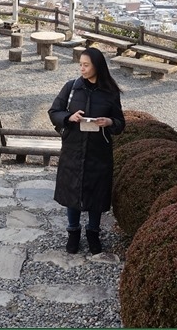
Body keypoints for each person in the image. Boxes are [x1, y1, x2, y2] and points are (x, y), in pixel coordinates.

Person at [48, 47, 125, 255]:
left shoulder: (110, 92)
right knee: (72, 190)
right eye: (80, 64)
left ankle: (93, 233)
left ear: (97, 66)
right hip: (73, 147)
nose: (81, 68)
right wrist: (69, 117)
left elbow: (120, 124)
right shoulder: (71, 87)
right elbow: (54, 111)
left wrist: (109, 121)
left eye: (86, 65)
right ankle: (73, 232)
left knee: (96, 193)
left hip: (99, 150)